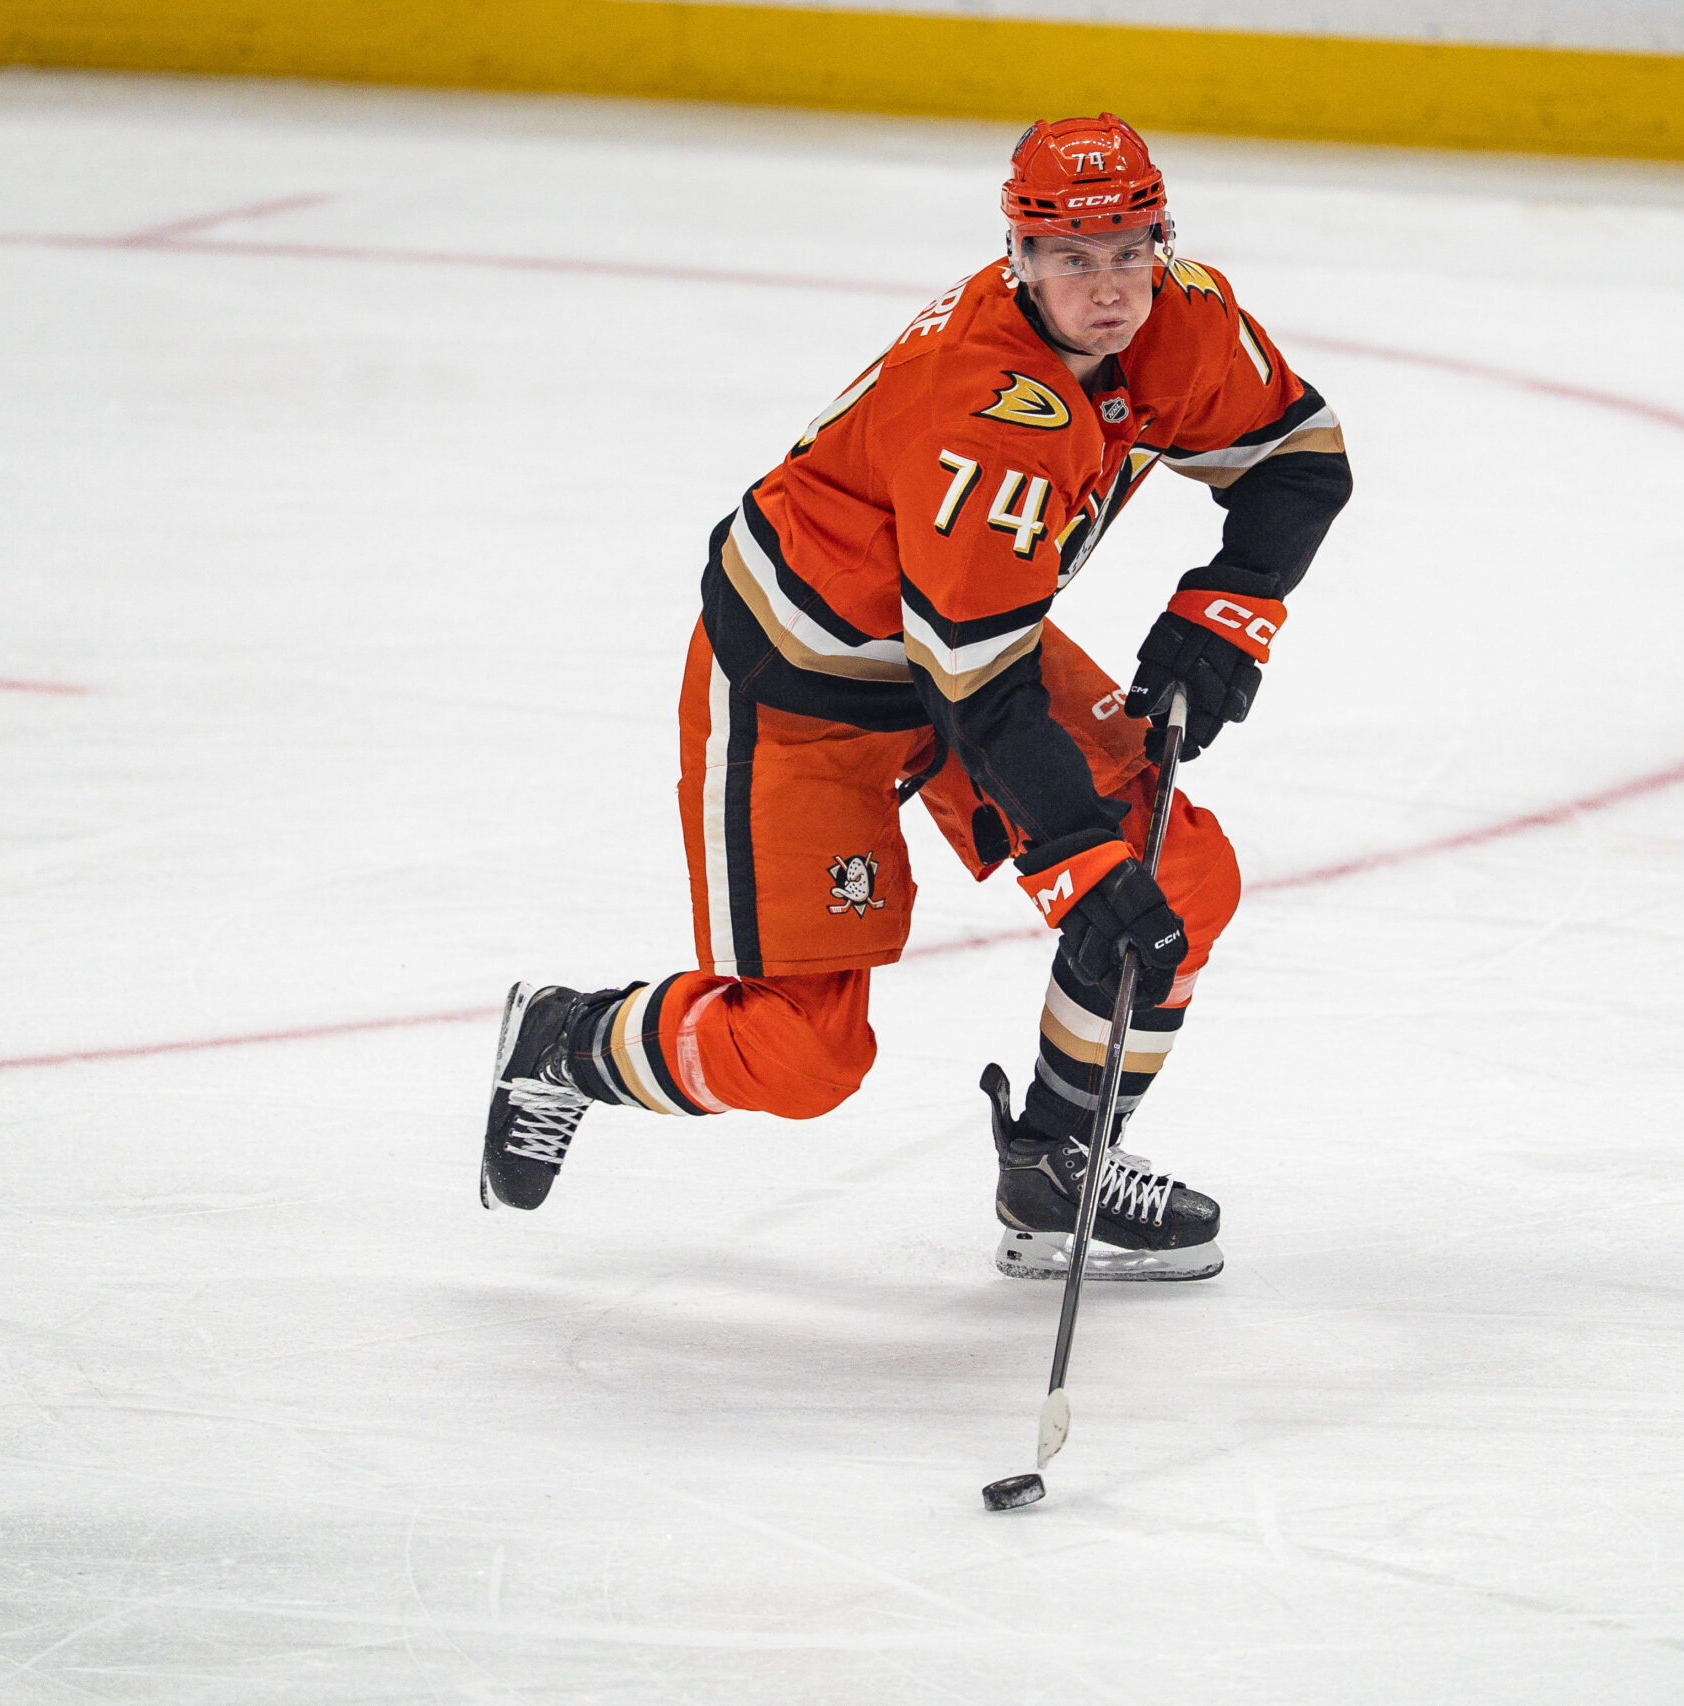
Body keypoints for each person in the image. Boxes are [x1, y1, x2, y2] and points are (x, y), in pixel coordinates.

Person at [477, 114, 1351, 1281]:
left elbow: (1300, 455)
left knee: (1178, 872)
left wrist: (1226, 610)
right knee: (802, 1057)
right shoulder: (985, 409)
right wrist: (1077, 856)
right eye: (1073, 257)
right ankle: (567, 1040)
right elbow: (980, 692)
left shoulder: (1182, 315)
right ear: (1018, 259)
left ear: (1164, 238)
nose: (1110, 288)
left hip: (963, 638)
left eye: (1130, 248)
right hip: (804, 684)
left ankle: (1056, 1171)